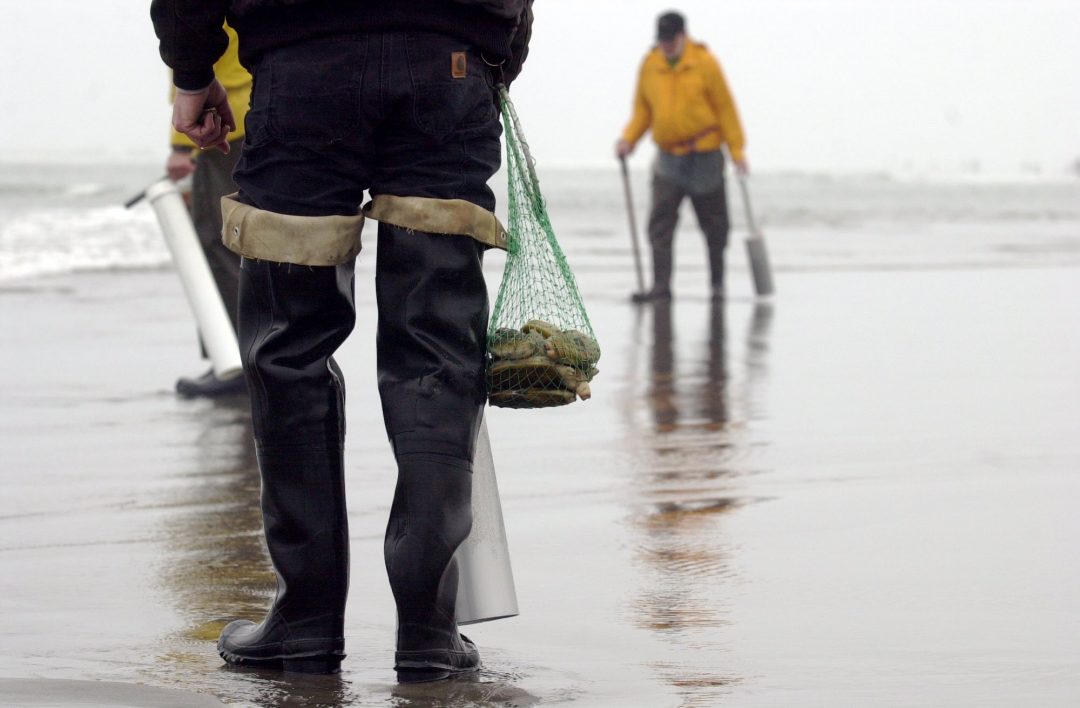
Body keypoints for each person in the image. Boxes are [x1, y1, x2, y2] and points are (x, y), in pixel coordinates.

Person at [150, 0, 533, 682]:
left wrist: (190, 68)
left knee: (290, 346)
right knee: (437, 348)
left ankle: (306, 619)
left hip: (302, 64)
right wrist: (497, 54)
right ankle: (428, 629)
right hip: (448, 60)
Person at [616, 10, 747, 302]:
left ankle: (717, 285)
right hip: (668, 160)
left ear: (683, 35)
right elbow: (643, 112)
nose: (666, 45)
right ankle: (661, 288)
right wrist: (629, 140)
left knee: (715, 227)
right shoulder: (650, 65)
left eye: (670, 40)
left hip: (706, 157)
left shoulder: (705, 63)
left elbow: (726, 109)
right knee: (659, 226)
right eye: (661, 40)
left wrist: (737, 151)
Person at [167, 24, 251, 398]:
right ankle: (256, 356)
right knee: (258, 241)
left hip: (224, 126)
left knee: (220, 242)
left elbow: (193, 48)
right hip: (261, 114)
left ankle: (235, 360)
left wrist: (180, 146)